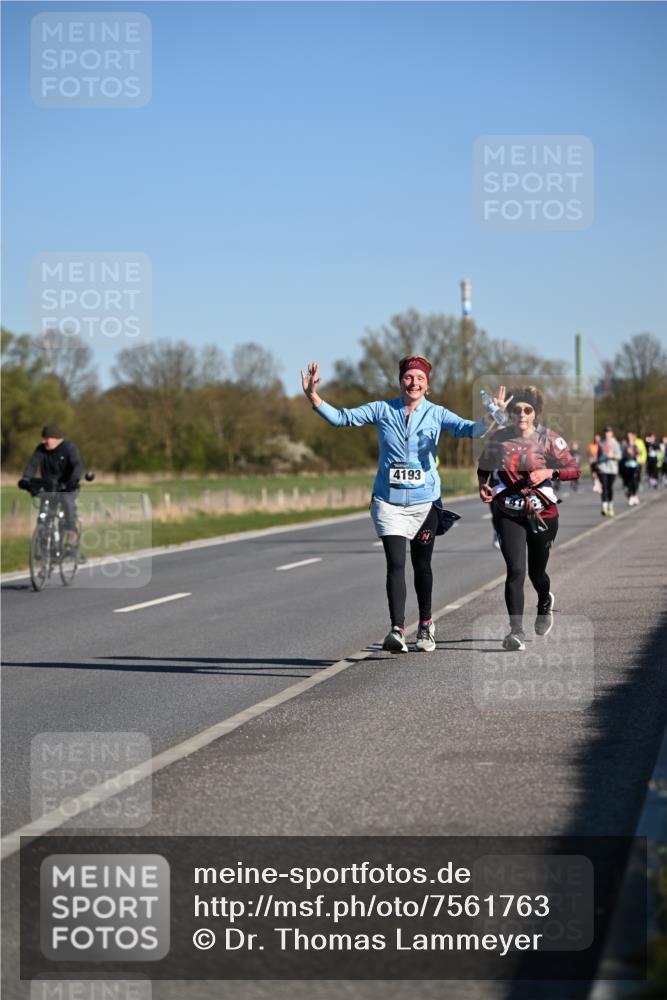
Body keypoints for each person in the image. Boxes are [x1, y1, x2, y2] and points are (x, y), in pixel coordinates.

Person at [301, 357, 502, 652]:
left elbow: (468, 430)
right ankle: (396, 629)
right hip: (388, 502)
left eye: (420, 378)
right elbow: (342, 418)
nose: (414, 383)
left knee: (422, 564)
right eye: (408, 377)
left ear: (427, 385)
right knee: (395, 563)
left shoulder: (436, 413)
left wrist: (491, 417)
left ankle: (425, 625)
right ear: (400, 382)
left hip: (425, 504)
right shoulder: (382, 409)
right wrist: (313, 396)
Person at [477, 386, 580, 651]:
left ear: (535, 413)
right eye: (516, 409)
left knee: (536, 573)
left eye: (527, 409)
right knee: (515, 571)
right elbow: (484, 466)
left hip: (543, 513)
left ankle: (544, 600)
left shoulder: (548, 438)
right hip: (508, 512)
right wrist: (484, 485)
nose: (521, 414)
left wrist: (548, 473)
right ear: (510, 413)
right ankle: (516, 632)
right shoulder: (499, 438)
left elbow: (573, 469)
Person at [18, 424, 83, 543]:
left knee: (67, 504)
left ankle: (71, 533)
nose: (43, 441)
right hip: (49, 487)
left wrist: (73, 481)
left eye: (46, 438)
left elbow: (77, 465)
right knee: (44, 513)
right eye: (43, 438)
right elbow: (32, 465)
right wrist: (26, 479)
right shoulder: (41, 449)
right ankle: (44, 542)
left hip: (67, 487)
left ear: (56, 438)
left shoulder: (69, 448)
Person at [596, 426, 622, 516]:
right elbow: (598, 457)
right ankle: (604, 506)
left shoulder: (616, 444)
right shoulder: (601, 443)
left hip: (612, 469)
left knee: (609, 487)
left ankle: (610, 506)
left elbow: (619, 456)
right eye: (606, 432)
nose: (607, 434)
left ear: (612, 433)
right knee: (604, 487)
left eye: (609, 432)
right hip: (603, 468)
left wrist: (612, 456)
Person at [621, 431, 644, 506]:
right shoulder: (624, 446)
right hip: (626, 467)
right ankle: (631, 496)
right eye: (628, 437)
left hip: (634, 466)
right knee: (628, 482)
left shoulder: (635, 446)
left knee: (634, 481)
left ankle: (634, 495)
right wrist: (627, 453)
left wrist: (634, 454)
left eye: (631, 436)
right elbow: (622, 456)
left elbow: (638, 454)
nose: (629, 438)